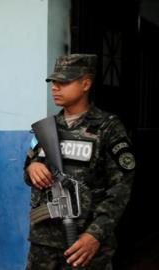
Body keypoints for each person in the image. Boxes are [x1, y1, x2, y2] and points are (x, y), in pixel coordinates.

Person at [24, 54, 135, 269]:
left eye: (63, 82)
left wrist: (95, 234)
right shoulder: (46, 128)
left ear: (86, 84)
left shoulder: (108, 128)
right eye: (53, 82)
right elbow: (27, 168)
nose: (55, 88)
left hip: (85, 244)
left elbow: (121, 188)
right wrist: (33, 168)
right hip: (43, 244)